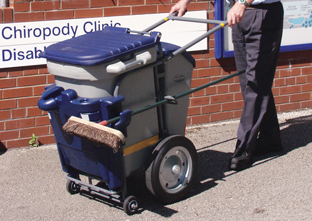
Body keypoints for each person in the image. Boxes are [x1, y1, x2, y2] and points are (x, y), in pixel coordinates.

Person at [170, 0, 284, 171]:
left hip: (262, 14)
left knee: (255, 84)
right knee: (250, 82)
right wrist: (185, 2)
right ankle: (270, 138)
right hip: (240, 15)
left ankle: (244, 148)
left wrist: (243, 3)